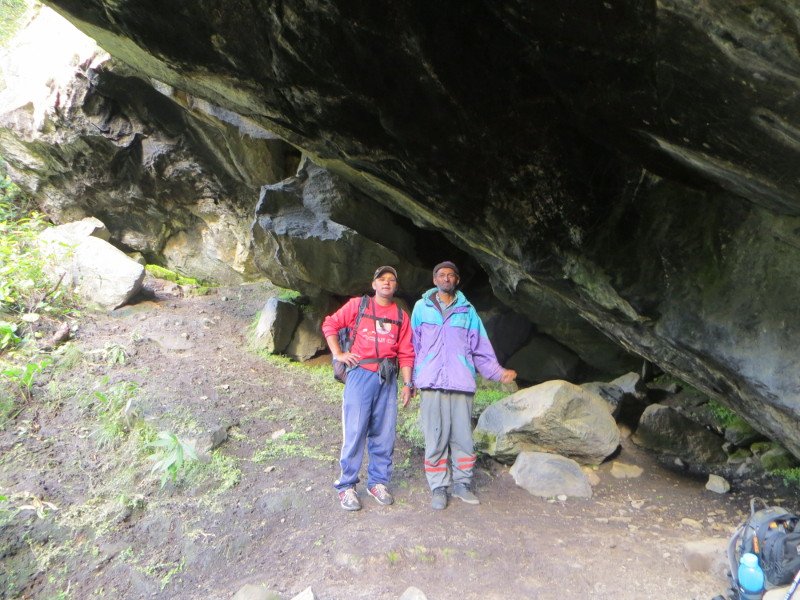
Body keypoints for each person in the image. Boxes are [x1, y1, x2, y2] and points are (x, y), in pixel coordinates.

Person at [410, 261, 516, 510]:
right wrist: (413, 379)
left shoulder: (467, 311)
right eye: (441, 275)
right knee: (435, 437)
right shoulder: (420, 308)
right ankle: (438, 487)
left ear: (457, 281)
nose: (446, 278)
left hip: (460, 382)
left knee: (462, 438)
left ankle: (462, 485)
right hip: (431, 383)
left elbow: (480, 348)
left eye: (451, 275)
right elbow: (413, 346)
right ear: (434, 280)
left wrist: (498, 373)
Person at [321, 266, 415, 511]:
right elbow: (330, 324)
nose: (386, 283)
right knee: (355, 430)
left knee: (384, 433)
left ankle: (378, 482)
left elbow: (406, 352)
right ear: (373, 285)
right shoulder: (358, 306)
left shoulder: (401, 316)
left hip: (388, 379)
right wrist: (339, 353)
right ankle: (346, 486)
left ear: (396, 286)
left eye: (391, 280)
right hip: (361, 373)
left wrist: (407, 384)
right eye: (381, 279)